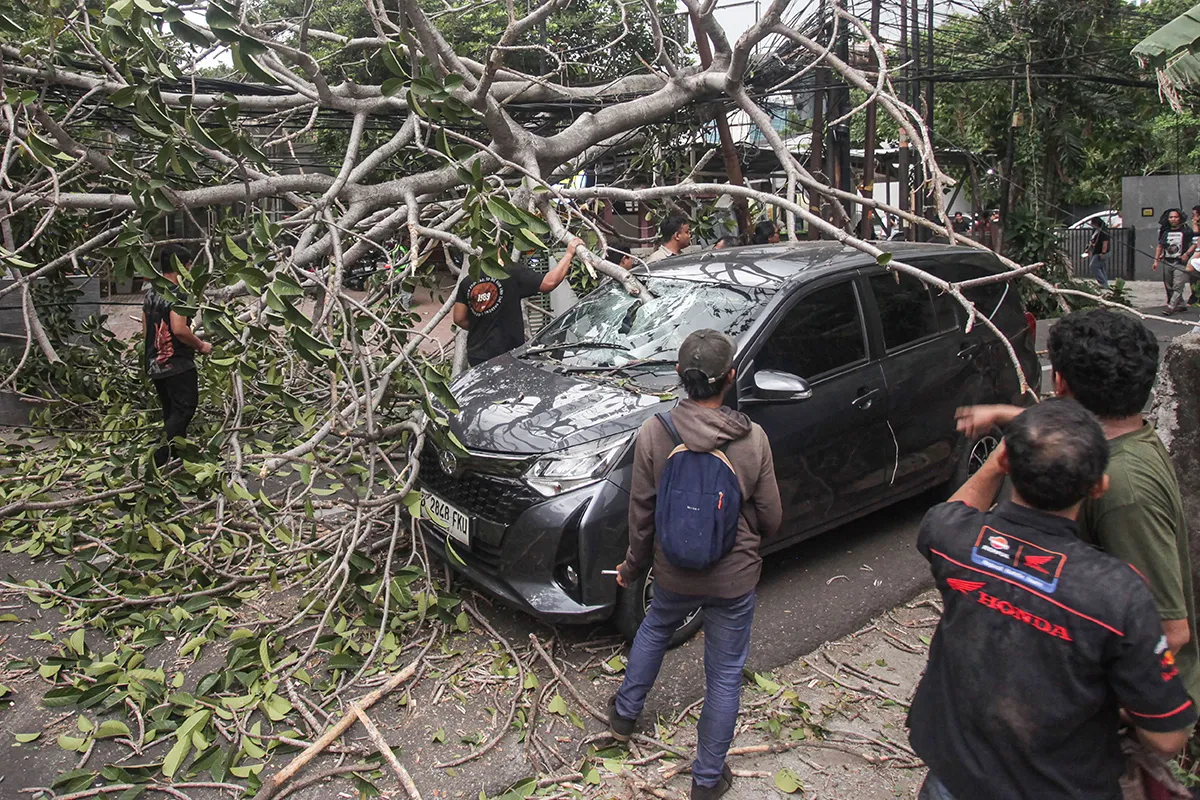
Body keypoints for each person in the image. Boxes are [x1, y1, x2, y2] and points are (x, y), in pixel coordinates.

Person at [909, 399, 1196, 800]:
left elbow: (953, 509)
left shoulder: (952, 541)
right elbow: (1167, 737)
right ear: (1099, 486)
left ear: (1008, 463)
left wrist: (996, 461)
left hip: (954, 782)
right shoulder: (1117, 593)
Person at [955, 309, 1200, 709]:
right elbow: (1075, 429)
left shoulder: (1123, 489)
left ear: (1059, 381)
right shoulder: (1123, 438)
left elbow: (1170, 633)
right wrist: (1008, 416)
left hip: (1121, 721)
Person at [608, 329, 782, 800]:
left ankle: (624, 717)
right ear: (730, 378)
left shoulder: (655, 432)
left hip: (671, 571)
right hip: (734, 578)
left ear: (681, 379)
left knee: (655, 627)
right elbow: (772, 517)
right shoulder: (753, 440)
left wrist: (631, 566)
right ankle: (706, 781)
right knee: (724, 673)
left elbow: (641, 515)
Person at [453, 237, 583, 367]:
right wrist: (569, 254)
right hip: (507, 353)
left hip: (477, 355)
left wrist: (482, 325)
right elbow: (549, 282)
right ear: (502, 247)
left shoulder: (468, 281)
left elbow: (459, 318)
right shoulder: (511, 272)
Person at [144, 245, 213, 467]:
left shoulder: (152, 293)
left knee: (171, 412)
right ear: (181, 267)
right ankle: (158, 458)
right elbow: (180, 329)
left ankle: (175, 459)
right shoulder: (179, 294)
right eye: (189, 265)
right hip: (177, 364)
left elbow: (145, 331)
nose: (190, 269)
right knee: (185, 408)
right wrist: (201, 345)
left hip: (155, 363)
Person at [1153, 208, 1196, 314]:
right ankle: (1180, 304)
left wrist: (1187, 254)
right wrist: (1156, 260)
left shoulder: (1186, 231)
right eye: (1171, 217)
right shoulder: (1165, 232)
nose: (1173, 219)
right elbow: (1160, 246)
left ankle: (1171, 307)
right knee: (1169, 285)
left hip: (1181, 263)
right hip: (1168, 261)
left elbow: (1195, 243)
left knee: (1178, 285)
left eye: (1176, 217)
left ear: (1180, 218)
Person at [1085, 217, 1111, 290]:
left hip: (1101, 253)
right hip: (1096, 251)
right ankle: (1105, 284)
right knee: (1101, 268)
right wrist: (1088, 249)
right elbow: (1092, 241)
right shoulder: (1095, 231)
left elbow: (1105, 243)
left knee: (1094, 266)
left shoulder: (1103, 232)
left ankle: (1102, 282)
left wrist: (1103, 253)